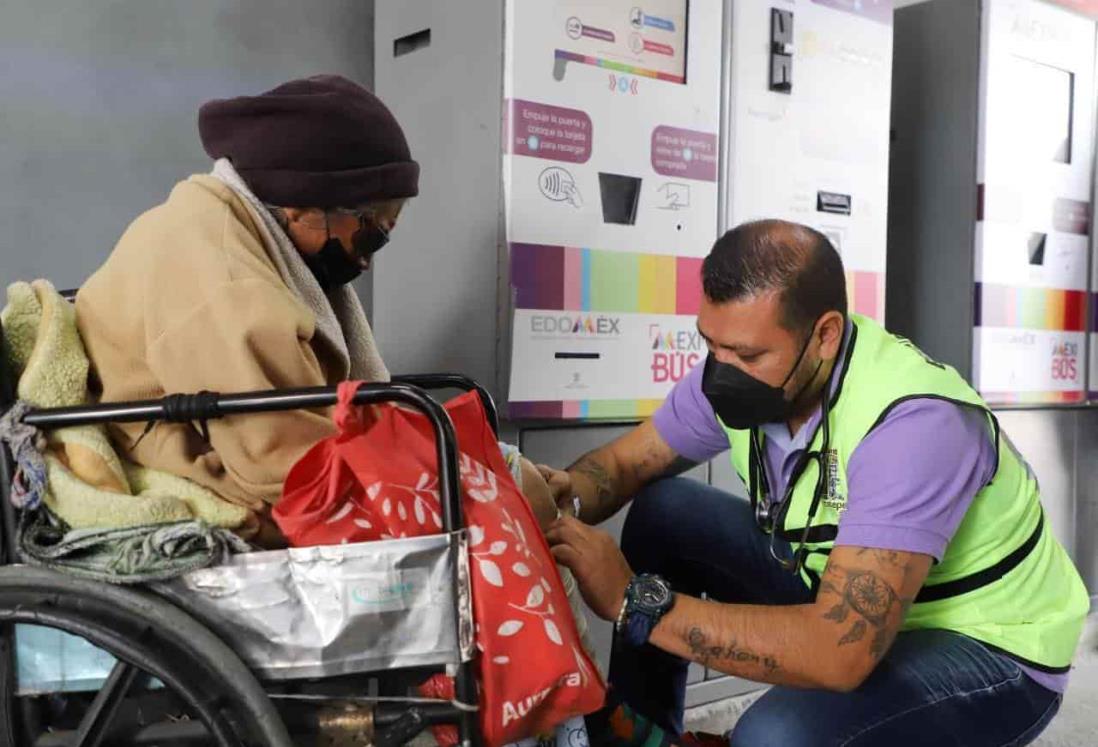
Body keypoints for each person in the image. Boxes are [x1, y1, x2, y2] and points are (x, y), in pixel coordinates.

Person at [541, 219, 1088, 746]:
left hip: (991, 646)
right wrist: (556, 496)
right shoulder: (739, 375)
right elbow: (626, 465)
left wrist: (635, 601)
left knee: (775, 737)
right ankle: (645, 736)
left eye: (748, 354)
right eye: (712, 344)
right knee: (665, 513)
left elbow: (838, 652)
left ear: (824, 335)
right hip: (839, 582)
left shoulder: (916, 424)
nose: (720, 370)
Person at [75, 75, 557, 542]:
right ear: (300, 205)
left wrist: (486, 461)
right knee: (508, 509)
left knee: (509, 482)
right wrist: (476, 478)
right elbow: (286, 468)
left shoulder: (250, 236)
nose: (369, 256)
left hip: (244, 449)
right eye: (372, 230)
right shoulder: (225, 276)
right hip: (207, 464)